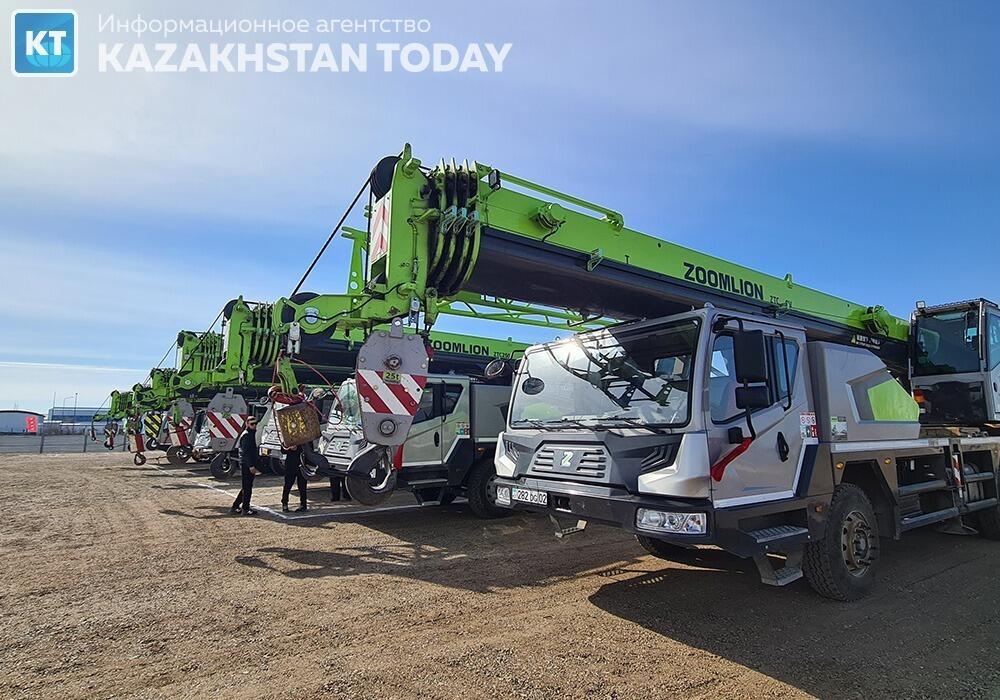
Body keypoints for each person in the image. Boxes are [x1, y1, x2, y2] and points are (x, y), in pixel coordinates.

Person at [231, 416, 260, 515]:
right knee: (247, 487)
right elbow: (245, 452)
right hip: (246, 464)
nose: (254, 425)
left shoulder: (251, 433)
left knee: (246, 486)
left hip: (247, 463)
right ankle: (245, 508)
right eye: (252, 424)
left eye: (255, 423)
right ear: (247, 424)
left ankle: (236, 506)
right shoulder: (247, 435)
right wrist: (251, 466)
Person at [281, 445, 309, 513]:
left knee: (302, 485)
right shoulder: (288, 439)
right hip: (291, 463)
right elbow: (283, 450)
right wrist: (290, 448)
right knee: (288, 484)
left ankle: (303, 504)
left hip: (302, 463)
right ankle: (284, 503)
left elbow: (309, 450)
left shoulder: (305, 439)